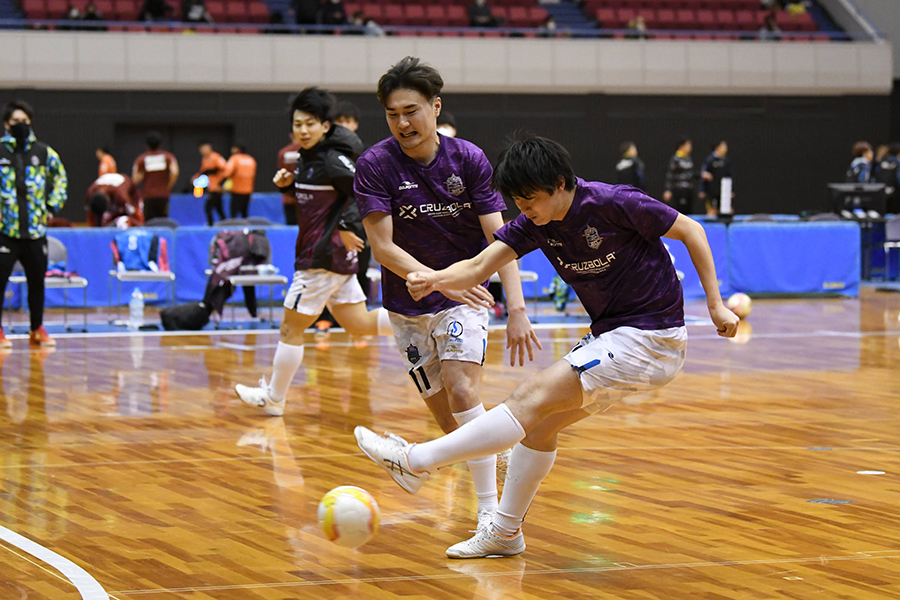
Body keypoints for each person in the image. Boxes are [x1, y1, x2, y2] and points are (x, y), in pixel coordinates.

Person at [355, 134, 739, 559]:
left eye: (530, 198)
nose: (524, 208)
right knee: (539, 428)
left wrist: (716, 304)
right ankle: (504, 533)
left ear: (559, 184)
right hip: (614, 338)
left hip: (651, 337)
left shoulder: (613, 202)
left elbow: (691, 229)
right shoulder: (532, 223)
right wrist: (435, 279)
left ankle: (414, 461)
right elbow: (480, 266)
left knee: (530, 395)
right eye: (517, 201)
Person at [353, 57, 539, 539]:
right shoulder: (375, 164)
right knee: (454, 426)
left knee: (462, 390)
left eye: (411, 111)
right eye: (393, 114)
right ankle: (457, 458)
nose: (403, 123)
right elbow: (382, 247)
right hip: (407, 304)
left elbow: (502, 239)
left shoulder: (469, 159)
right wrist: (434, 279)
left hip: (465, 296)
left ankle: (491, 517)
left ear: (435, 107)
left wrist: (516, 308)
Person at [235, 87, 392, 417]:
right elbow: (323, 200)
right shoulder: (307, 157)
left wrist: (348, 225)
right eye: (298, 124)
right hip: (328, 256)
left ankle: (274, 399)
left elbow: (363, 191)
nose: (303, 130)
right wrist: (288, 186)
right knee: (360, 324)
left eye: (310, 124)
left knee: (290, 329)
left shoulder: (331, 159)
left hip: (322, 258)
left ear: (325, 126)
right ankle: (422, 320)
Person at [0, 100, 68, 349]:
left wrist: (51, 207)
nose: (21, 125)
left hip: (35, 232)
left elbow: (60, 178)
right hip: (6, 232)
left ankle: (36, 329)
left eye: (25, 121)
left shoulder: (44, 152)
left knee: (37, 283)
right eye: (16, 121)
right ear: (6, 124)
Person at [132, 131, 178, 221]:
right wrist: (168, 186)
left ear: (146, 145)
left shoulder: (141, 159)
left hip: (148, 195)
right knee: (163, 221)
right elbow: (175, 172)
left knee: (149, 222)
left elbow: (135, 179)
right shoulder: (168, 157)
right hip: (163, 195)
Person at [192, 141, 227, 225]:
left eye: (203, 148)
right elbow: (203, 171)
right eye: (200, 149)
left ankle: (211, 224)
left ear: (209, 147)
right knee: (218, 208)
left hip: (216, 188)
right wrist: (195, 177)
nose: (202, 151)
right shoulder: (204, 159)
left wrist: (221, 184)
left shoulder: (216, 157)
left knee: (209, 207)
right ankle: (224, 223)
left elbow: (226, 170)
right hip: (210, 187)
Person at [698, 140, 734, 217]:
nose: (725, 149)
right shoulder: (709, 160)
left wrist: (731, 191)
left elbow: (730, 176)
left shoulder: (726, 161)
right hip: (712, 192)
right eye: (724, 147)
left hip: (724, 192)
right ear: (717, 147)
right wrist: (702, 190)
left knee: (728, 210)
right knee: (712, 210)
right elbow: (704, 175)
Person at [222, 144, 257, 219]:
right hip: (248, 191)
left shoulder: (234, 159)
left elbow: (227, 173)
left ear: (237, 149)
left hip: (237, 191)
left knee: (234, 215)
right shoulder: (251, 160)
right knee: (244, 214)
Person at [662, 137, 694, 214]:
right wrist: (668, 190)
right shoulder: (675, 159)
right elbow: (670, 175)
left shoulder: (688, 158)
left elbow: (691, 173)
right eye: (688, 145)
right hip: (679, 189)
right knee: (680, 211)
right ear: (681, 146)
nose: (690, 148)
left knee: (688, 212)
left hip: (688, 190)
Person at [277, 133, 301, 226]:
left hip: (288, 198)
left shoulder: (283, 153)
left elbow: (281, 173)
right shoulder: (310, 152)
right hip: (306, 198)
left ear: (291, 136)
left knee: (291, 228)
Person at [874, 142, 900, 213]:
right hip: (895, 197)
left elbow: (875, 176)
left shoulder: (882, 162)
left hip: (881, 194)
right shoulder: (897, 163)